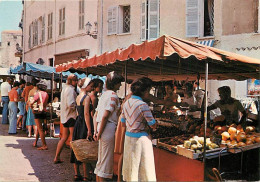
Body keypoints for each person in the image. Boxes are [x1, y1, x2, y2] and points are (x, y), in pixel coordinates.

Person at [121, 77, 157, 181]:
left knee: (131, 170)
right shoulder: (143, 105)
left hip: (128, 138)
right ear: (144, 91)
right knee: (144, 171)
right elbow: (153, 124)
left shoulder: (126, 103)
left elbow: (123, 123)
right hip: (141, 141)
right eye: (149, 91)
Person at [94, 71, 124, 181]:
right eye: (119, 83)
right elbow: (105, 116)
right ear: (115, 83)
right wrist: (100, 132)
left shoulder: (104, 95)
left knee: (101, 161)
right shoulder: (113, 96)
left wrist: (96, 131)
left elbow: (96, 115)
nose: (120, 85)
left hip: (101, 128)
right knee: (105, 163)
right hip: (108, 128)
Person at [70, 78, 94, 181]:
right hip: (84, 123)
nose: (92, 87)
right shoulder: (87, 98)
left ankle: (76, 173)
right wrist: (89, 129)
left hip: (78, 123)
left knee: (77, 147)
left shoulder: (78, 97)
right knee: (85, 148)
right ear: (86, 86)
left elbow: (78, 112)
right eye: (91, 85)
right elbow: (86, 114)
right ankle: (86, 175)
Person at [54, 74, 78, 163]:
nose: (76, 82)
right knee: (73, 138)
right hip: (71, 116)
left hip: (64, 116)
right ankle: (74, 158)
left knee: (64, 137)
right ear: (71, 81)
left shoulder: (64, 89)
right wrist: (77, 106)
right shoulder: (71, 90)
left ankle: (57, 157)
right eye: (75, 80)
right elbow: (71, 104)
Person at [29, 80, 49, 150]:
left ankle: (44, 145)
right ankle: (35, 142)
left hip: (38, 112)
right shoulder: (46, 94)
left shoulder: (38, 94)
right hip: (44, 111)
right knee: (39, 127)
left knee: (40, 129)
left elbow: (31, 102)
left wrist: (31, 106)